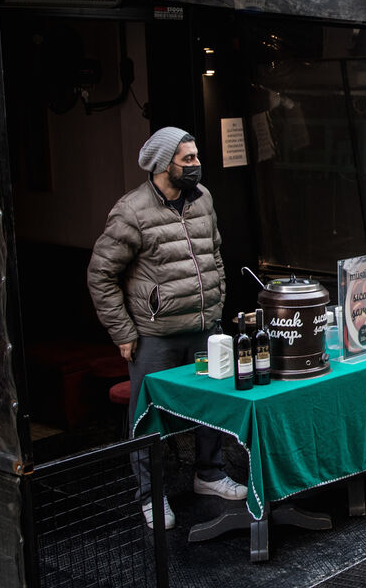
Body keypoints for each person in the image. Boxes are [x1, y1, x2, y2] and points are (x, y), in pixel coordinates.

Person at [88, 127, 246, 529]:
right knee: (148, 417)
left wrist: (216, 302)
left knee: (211, 403)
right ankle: (151, 497)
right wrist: (123, 332)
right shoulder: (132, 211)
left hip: (204, 326)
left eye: (196, 157)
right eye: (187, 159)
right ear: (163, 165)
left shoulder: (204, 198)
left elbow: (215, 253)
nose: (196, 165)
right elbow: (100, 275)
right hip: (155, 335)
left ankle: (209, 474)